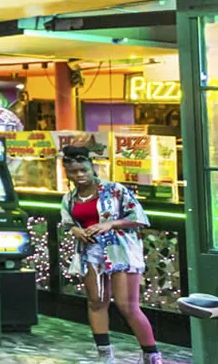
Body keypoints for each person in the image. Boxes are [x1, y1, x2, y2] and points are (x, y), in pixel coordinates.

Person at [62, 145, 161, 363]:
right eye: (73, 171)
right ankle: (106, 357)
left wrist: (110, 224)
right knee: (96, 302)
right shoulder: (69, 198)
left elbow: (139, 217)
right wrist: (75, 230)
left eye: (83, 170)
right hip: (90, 253)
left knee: (128, 306)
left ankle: (152, 355)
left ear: (92, 168)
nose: (79, 175)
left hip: (121, 252)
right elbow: (68, 222)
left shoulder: (115, 190)